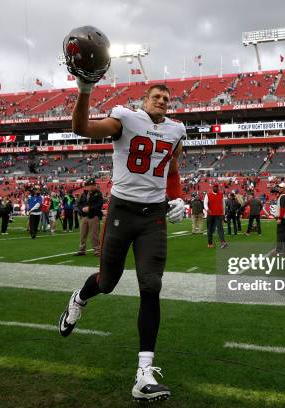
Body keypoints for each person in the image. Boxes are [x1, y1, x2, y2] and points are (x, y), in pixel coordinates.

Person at [57, 51, 185, 401]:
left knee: (151, 285)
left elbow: (172, 171)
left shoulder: (177, 130)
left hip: (154, 217)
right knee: (107, 283)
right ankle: (80, 298)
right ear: (144, 101)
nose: (161, 101)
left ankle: (144, 373)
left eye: (166, 98)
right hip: (122, 210)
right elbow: (81, 128)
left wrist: (178, 197)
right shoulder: (125, 119)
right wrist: (85, 89)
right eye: (156, 96)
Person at [74, 179, 103, 256]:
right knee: (82, 234)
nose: (92, 186)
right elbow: (79, 204)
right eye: (90, 185)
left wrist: (89, 208)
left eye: (93, 185)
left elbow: (99, 205)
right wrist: (81, 210)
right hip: (84, 216)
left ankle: (97, 250)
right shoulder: (83, 194)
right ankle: (81, 250)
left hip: (93, 216)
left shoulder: (98, 194)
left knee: (94, 234)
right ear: (87, 186)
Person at [204, 184, 227, 248]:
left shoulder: (221, 194)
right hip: (210, 214)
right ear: (213, 188)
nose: (216, 188)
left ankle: (223, 242)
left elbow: (223, 204)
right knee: (210, 229)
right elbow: (205, 203)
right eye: (215, 187)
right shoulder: (208, 194)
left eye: (217, 187)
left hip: (219, 214)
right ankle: (210, 243)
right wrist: (207, 209)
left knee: (220, 228)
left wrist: (224, 213)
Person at [274, 182, 285, 254]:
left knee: (280, 234)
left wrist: (280, 218)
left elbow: (282, 209)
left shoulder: (283, 197)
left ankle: (279, 250)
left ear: (284, 189)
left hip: (282, 218)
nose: (279, 188)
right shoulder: (284, 196)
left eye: (281, 187)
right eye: (279, 187)